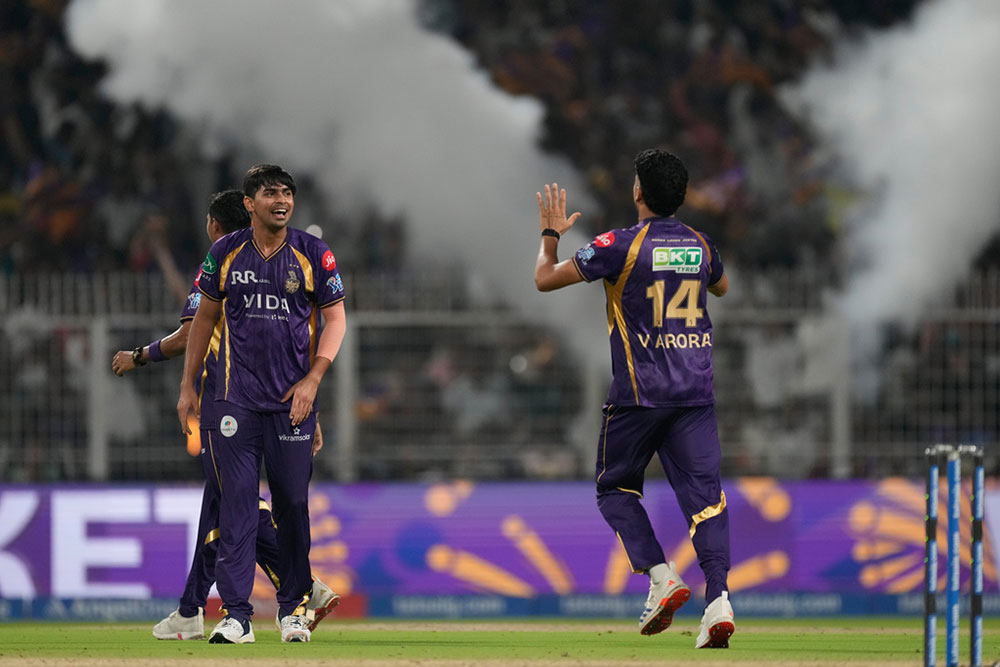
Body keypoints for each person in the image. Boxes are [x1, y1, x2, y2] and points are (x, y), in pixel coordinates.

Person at [111, 190, 340, 640]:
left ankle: (294, 588)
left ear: (215, 226)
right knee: (222, 509)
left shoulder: (224, 264)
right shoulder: (259, 268)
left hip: (229, 408)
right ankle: (193, 608)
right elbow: (296, 350)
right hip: (246, 410)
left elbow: (187, 334)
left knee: (237, 506)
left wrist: (141, 355)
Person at [533, 149, 734, 649]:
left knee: (615, 488)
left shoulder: (618, 245)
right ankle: (719, 601)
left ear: (638, 191)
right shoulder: (700, 244)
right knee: (707, 503)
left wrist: (551, 235)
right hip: (694, 395)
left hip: (639, 396)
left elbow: (544, 279)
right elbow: (722, 287)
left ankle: (661, 577)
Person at [177, 166, 347, 644]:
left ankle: (293, 610)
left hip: (292, 405)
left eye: (287, 192)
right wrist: (188, 385)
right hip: (235, 401)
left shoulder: (314, 253)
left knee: (292, 504)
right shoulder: (224, 253)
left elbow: (335, 320)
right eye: (271, 193)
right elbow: (202, 319)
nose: (282, 200)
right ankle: (237, 615)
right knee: (237, 507)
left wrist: (313, 380)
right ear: (249, 203)